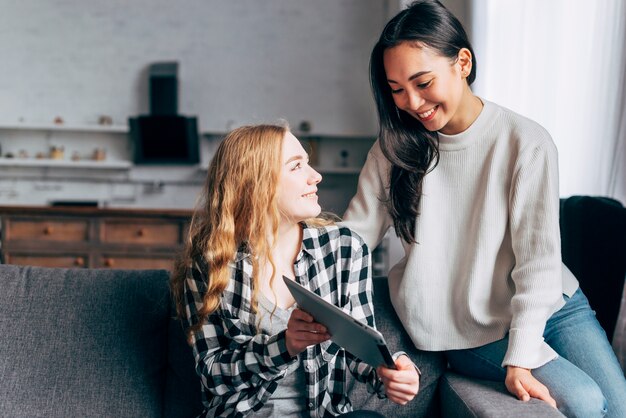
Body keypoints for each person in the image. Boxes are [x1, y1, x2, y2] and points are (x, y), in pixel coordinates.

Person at [341, 1, 626, 417]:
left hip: (554, 303)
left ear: (462, 62)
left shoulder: (526, 141)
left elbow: (538, 263)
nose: (411, 102)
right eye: (396, 89)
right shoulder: (393, 150)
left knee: (618, 407)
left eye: (422, 82)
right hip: (468, 326)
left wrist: (522, 356)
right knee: (584, 402)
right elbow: (354, 237)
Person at [171, 124, 420, 417]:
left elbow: (360, 349)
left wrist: (393, 370)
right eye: (296, 166)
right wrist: (284, 345)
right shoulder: (210, 264)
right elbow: (212, 375)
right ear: (256, 183)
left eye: (308, 163)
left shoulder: (344, 248)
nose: (316, 176)